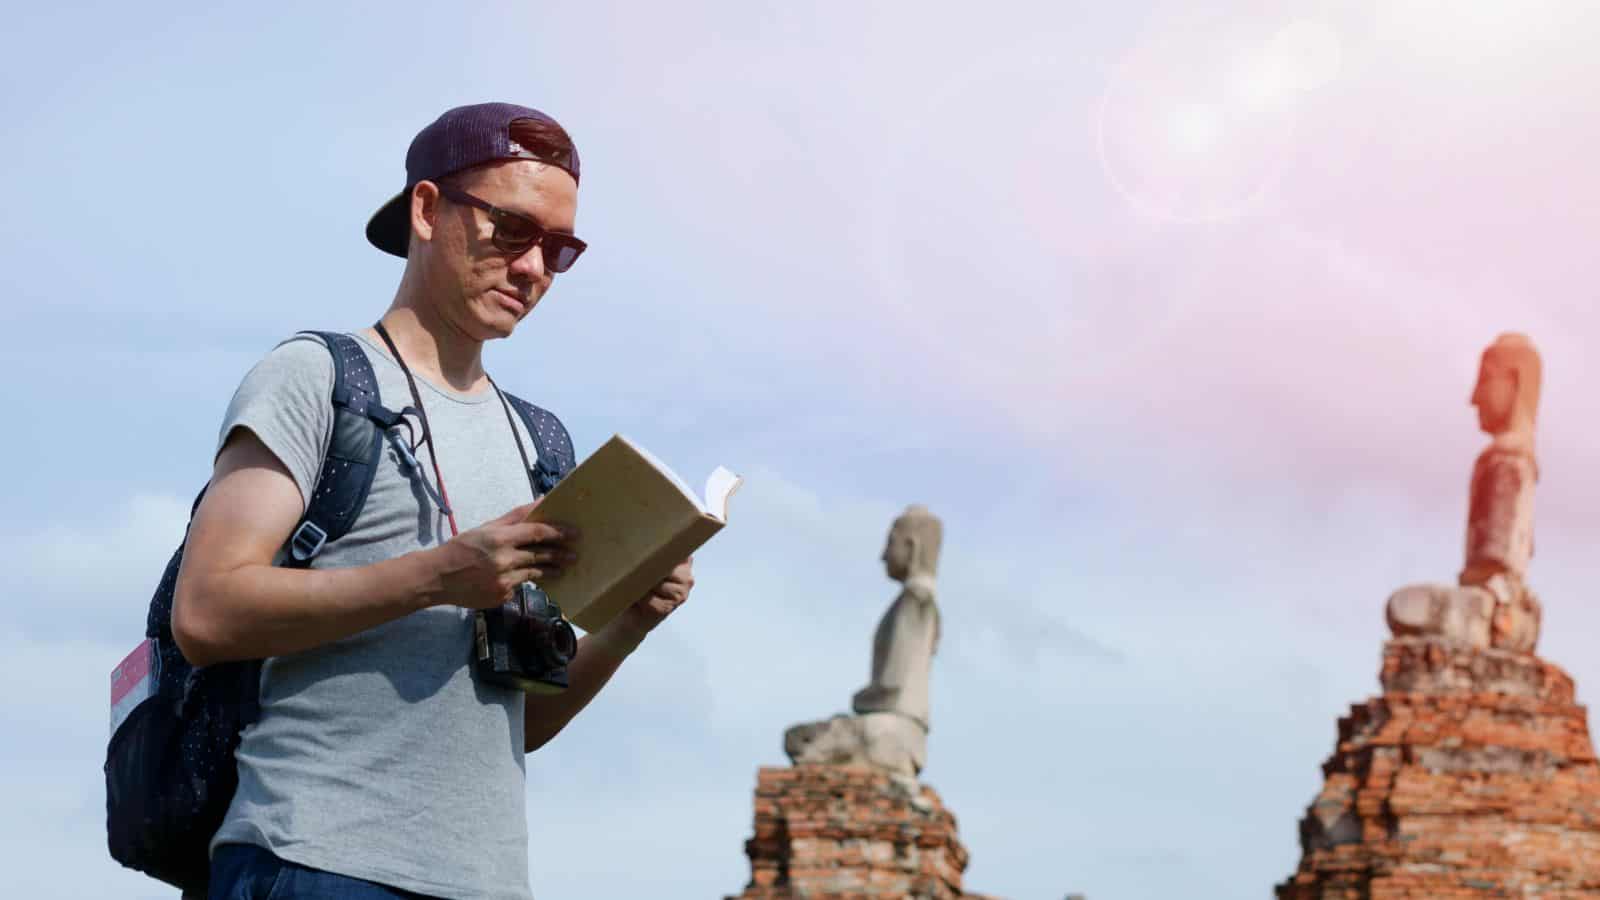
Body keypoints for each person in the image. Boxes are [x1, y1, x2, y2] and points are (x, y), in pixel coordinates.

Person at [171, 102, 694, 900]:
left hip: (485, 883)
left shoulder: (540, 444)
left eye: (560, 250)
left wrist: (627, 625)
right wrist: (439, 576)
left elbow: (525, 723)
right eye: (512, 230)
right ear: (426, 209)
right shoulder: (317, 379)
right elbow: (205, 613)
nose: (533, 269)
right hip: (313, 860)